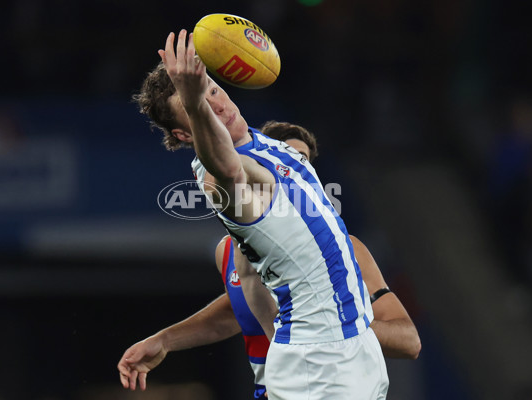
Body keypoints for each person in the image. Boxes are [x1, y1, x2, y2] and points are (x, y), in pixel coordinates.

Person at [123, 30, 388, 399]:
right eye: (198, 104)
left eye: (212, 90)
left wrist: (275, 348)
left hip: (353, 349)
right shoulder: (218, 179)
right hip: (320, 363)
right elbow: (229, 167)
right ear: (186, 134)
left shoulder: (269, 144)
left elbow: (247, 277)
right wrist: (196, 100)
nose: (215, 104)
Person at [117, 123, 421, 398]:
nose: (299, 176)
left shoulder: (347, 251)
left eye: (305, 164)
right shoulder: (229, 251)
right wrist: (165, 340)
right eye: (289, 163)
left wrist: (340, 318)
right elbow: (235, 311)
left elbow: (409, 341)